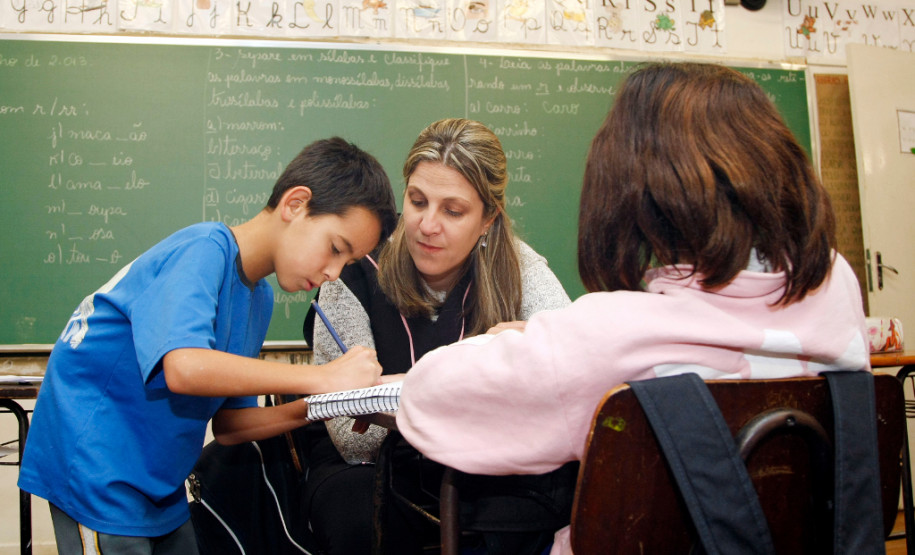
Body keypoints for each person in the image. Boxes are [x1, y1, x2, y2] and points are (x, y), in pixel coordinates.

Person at [394, 62, 870, 555]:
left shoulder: (613, 334)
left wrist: (503, 344)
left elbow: (430, 398)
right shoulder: (836, 285)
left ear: (630, 189)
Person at [17, 137, 398, 554]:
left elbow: (233, 427)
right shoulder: (203, 250)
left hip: (156, 485)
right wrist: (323, 377)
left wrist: (323, 404)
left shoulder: (258, 298)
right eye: (335, 249)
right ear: (295, 204)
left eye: (347, 263)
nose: (333, 273)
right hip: (96, 470)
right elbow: (183, 368)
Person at [302, 118, 577, 554]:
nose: (427, 225)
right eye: (417, 201)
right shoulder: (353, 262)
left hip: (482, 465)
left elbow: (573, 366)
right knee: (357, 511)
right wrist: (488, 380)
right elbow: (356, 438)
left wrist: (411, 397)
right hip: (370, 469)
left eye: (453, 211)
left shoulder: (517, 265)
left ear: (488, 219)